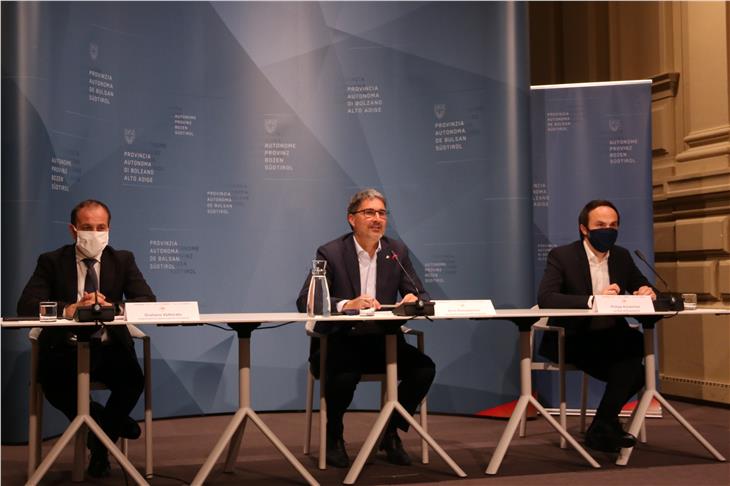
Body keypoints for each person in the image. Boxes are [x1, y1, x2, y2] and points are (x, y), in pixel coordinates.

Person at [296, 188, 435, 468]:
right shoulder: (331, 252)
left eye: (381, 213)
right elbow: (305, 301)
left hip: (384, 342)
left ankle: (391, 433)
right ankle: (334, 436)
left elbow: (420, 295)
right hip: (340, 342)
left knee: (424, 369)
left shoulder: (396, 251)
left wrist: (413, 299)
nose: (377, 218)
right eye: (368, 212)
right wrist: (347, 303)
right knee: (344, 375)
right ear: (352, 219)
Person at [17, 199, 156, 477]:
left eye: (101, 227)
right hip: (64, 348)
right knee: (54, 383)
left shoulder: (123, 259)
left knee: (133, 380)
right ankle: (105, 433)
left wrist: (112, 308)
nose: (95, 233)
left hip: (108, 347)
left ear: (109, 229)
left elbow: (147, 301)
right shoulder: (52, 261)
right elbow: (26, 305)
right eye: (87, 227)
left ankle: (99, 442)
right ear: (73, 230)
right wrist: (70, 309)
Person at [537, 199, 656, 453]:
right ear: (584, 229)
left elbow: (643, 286)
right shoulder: (563, 256)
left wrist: (647, 291)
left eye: (613, 225)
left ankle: (602, 426)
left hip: (612, 338)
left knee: (634, 354)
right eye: (600, 225)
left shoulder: (622, 256)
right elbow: (546, 298)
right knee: (635, 365)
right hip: (573, 338)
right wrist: (594, 300)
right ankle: (604, 426)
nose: (608, 230)